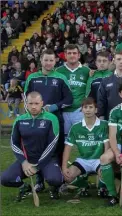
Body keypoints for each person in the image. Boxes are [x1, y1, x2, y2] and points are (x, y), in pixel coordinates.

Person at [24, 49, 73, 192]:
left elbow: (69, 99)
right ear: (41, 60)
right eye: (46, 60)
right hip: (36, 121)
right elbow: (26, 99)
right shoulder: (32, 78)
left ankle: (57, 181)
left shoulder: (60, 77)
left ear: (55, 61)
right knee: (37, 149)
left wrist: (53, 107)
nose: (49, 63)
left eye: (51, 60)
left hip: (55, 121)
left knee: (57, 150)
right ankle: (39, 181)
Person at [1, 92, 62, 200]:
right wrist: (24, 162)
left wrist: (37, 166)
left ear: (42, 103)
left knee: (55, 179)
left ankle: (54, 188)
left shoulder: (51, 118)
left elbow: (52, 144)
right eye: (31, 103)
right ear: (26, 104)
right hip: (27, 160)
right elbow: (14, 143)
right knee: (5, 179)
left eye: (37, 103)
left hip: (48, 160)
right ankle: (24, 187)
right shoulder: (19, 120)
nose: (34, 106)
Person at [62, 97, 109, 197]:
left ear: (96, 110)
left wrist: (106, 164)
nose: (88, 110)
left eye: (91, 107)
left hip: (99, 160)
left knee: (106, 173)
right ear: (81, 110)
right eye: (85, 107)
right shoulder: (75, 127)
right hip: (83, 160)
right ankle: (84, 184)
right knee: (67, 177)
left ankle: (102, 187)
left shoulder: (104, 125)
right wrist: (64, 167)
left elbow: (107, 148)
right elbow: (67, 148)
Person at [56, 44, 91, 140]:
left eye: (74, 53)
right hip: (63, 111)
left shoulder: (87, 71)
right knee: (62, 142)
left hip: (79, 111)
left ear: (79, 55)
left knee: (83, 141)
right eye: (69, 53)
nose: (72, 55)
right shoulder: (58, 71)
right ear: (65, 55)